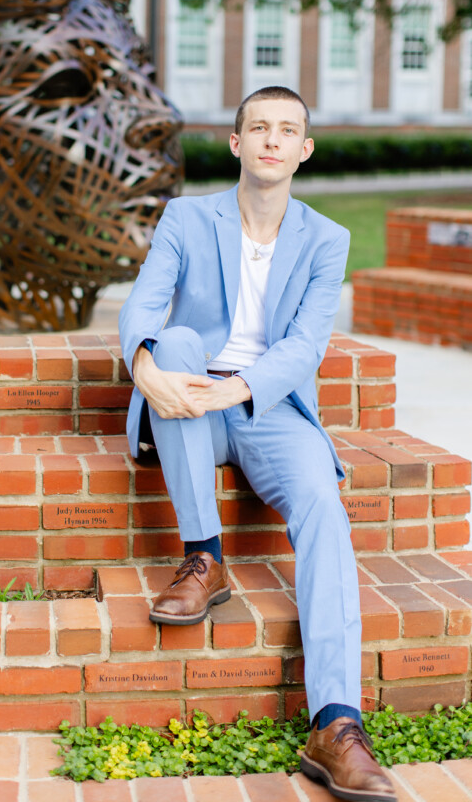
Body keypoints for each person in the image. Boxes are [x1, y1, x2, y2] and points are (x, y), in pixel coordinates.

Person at [118, 86, 396, 802]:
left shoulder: (324, 238)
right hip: (187, 401)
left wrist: (238, 389)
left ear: (303, 150)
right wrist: (148, 368)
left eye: (288, 130)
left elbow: (304, 346)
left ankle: (335, 725)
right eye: (258, 127)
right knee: (174, 339)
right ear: (237, 143)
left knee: (323, 513)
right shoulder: (186, 216)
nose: (272, 140)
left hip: (268, 407)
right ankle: (203, 559)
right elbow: (146, 302)